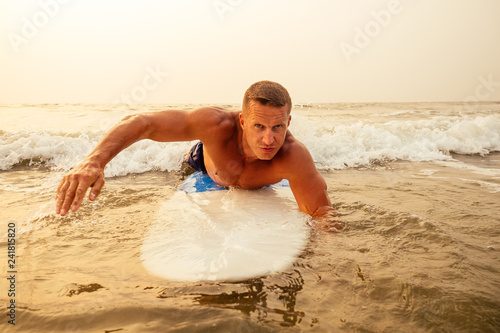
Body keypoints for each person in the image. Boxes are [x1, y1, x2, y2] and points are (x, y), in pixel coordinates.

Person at [55, 81, 342, 231]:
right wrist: (95, 161)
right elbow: (143, 122)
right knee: (186, 164)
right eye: (259, 126)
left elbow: (322, 213)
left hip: (257, 179)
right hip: (205, 164)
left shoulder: (295, 157)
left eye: (277, 127)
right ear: (242, 121)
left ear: (288, 123)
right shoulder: (215, 125)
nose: (269, 139)